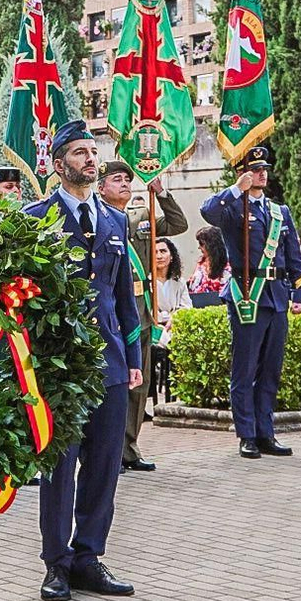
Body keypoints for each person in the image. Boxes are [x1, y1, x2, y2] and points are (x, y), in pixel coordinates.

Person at [24, 121, 141, 601]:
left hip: (110, 363)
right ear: (58, 165)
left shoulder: (115, 221)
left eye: (93, 152)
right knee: (59, 464)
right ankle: (57, 564)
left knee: (105, 465)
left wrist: (133, 357)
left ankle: (89, 555)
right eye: (79, 153)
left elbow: (123, 298)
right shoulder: (35, 219)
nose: (91, 159)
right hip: (58, 366)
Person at [201, 146, 301, 459]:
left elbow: (294, 257)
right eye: (255, 169)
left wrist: (299, 294)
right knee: (245, 370)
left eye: (264, 169)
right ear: (242, 172)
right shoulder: (233, 208)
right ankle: (246, 435)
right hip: (248, 295)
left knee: (271, 371)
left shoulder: (279, 212)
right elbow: (209, 212)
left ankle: (266, 432)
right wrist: (237, 189)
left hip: (276, 297)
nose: (262, 174)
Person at [97, 160, 187, 473]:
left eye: (127, 179)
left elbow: (178, 225)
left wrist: (160, 192)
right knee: (114, 386)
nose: (124, 184)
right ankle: (107, 451)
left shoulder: (140, 217)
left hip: (142, 312)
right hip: (111, 314)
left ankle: (129, 448)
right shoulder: (95, 217)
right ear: (101, 187)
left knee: (140, 384)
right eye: (116, 179)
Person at [148, 239, 192, 403]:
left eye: (163, 251)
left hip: (173, 327)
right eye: (156, 252)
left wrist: (174, 318)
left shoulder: (179, 282)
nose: (159, 256)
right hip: (155, 327)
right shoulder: (147, 281)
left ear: (171, 256)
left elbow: (187, 306)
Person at [188, 226, 231, 295]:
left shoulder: (228, 266)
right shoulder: (201, 262)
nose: (199, 247)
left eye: (201, 244)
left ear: (211, 245)